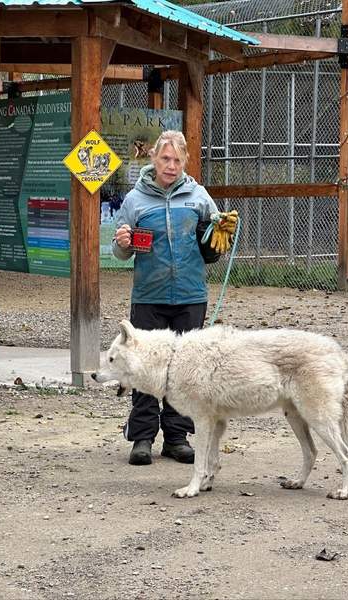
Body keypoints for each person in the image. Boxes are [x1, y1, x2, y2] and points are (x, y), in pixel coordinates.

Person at [112, 130, 219, 465]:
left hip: (190, 294)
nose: (170, 166)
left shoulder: (198, 196)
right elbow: (119, 252)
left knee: (184, 371)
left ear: (185, 161)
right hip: (149, 295)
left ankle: (177, 438)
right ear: (154, 159)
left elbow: (213, 247)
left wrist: (220, 236)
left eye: (177, 160)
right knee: (143, 367)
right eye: (165, 159)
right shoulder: (135, 200)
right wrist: (122, 242)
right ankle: (142, 437)